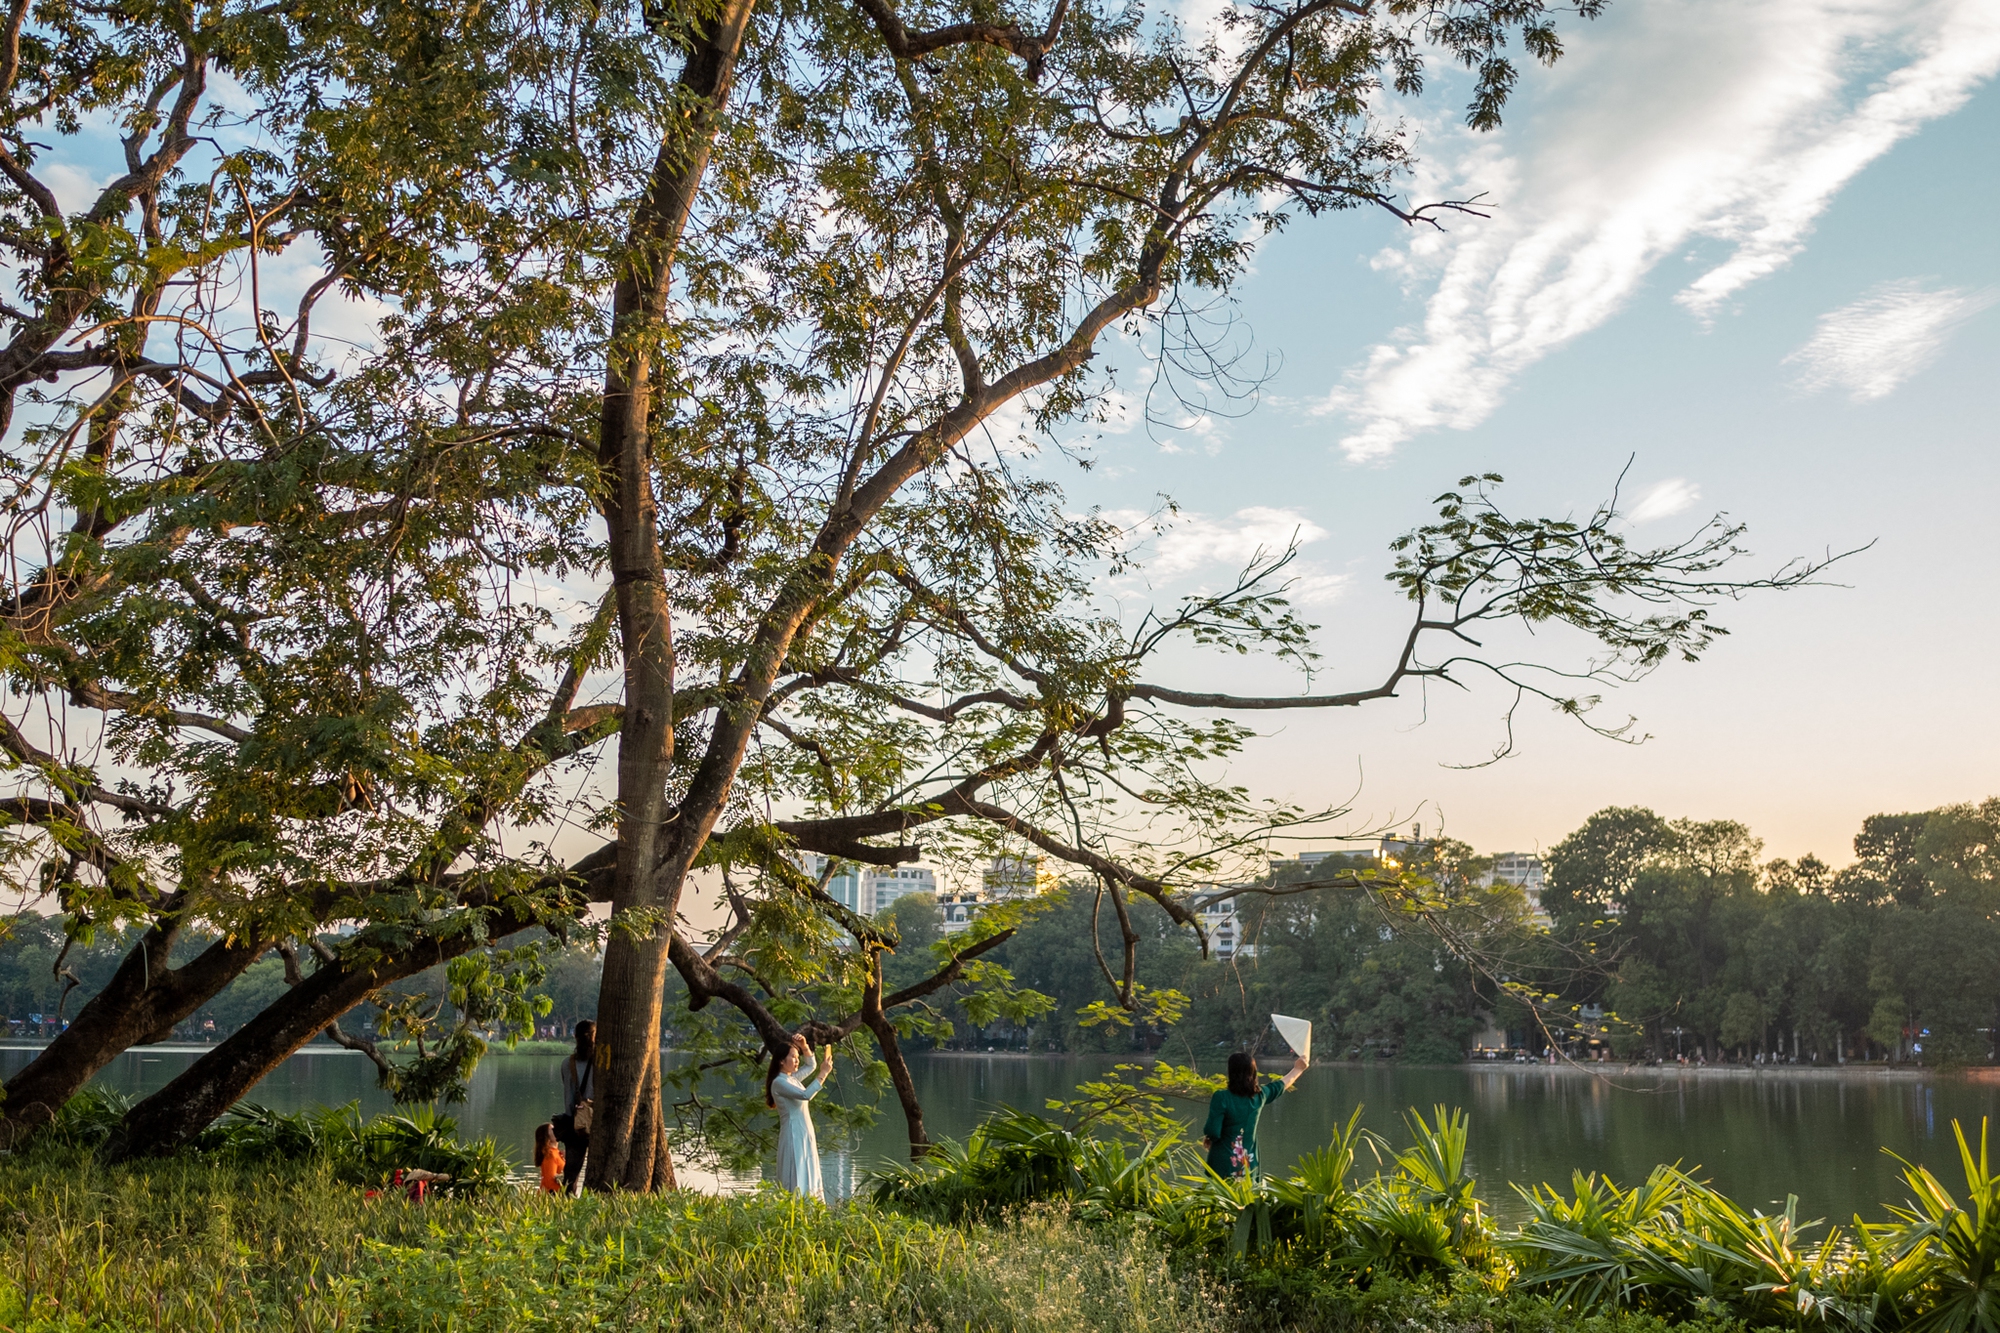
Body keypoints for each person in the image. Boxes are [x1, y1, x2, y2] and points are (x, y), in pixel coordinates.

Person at [1202, 1050, 1307, 1179]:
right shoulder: (1260, 1096)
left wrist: (1209, 1138)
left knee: (1217, 1197)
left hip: (1222, 1165)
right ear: (1253, 1072)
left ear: (1231, 1072)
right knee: (1249, 1197)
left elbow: (1213, 1131)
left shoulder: (1221, 1097)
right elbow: (1280, 1085)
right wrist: (1298, 1069)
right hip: (1248, 1165)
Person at [767, 1033, 833, 1199]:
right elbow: (806, 1095)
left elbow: (810, 1065)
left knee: (808, 1169)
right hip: (793, 1135)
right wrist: (823, 1074)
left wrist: (804, 1046)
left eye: (798, 1057)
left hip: (804, 1132)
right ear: (782, 1061)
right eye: (793, 1057)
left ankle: (811, 1209)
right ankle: (795, 1209)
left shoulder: (792, 1078)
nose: (797, 1060)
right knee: (796, 1172)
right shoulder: (779, 1082)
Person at [554, 1020, 595, 1195]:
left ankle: (567, 1204)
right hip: (597, 1122)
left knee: (571, 1173)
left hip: (574, 1123)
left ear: (575, 1037)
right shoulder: (602, 1062)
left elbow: (568, 1096)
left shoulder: (566, 1064)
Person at [535, 1122, 565, 1194]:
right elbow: (550, 1181)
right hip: (550, 1197)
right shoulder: (550, 1155)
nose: (557, 1130)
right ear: (547, 1137)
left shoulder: (557, 1153)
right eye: (552, 1129)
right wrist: (563, 1193)